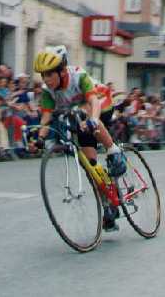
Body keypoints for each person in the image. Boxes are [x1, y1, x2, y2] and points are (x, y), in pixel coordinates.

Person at [33, 45, 127, 231]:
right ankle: (109, 204)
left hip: (102, 103)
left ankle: (114, 151)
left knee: (85, 114)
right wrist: (39, 138)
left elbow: (93, 101)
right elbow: (46, 117)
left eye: (49, 74)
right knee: (91, 165)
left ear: (61, 71)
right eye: (43, 75)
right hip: (78, 115)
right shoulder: (47, 91)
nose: (46, 79)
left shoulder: (78, 75)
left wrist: (93, 119)